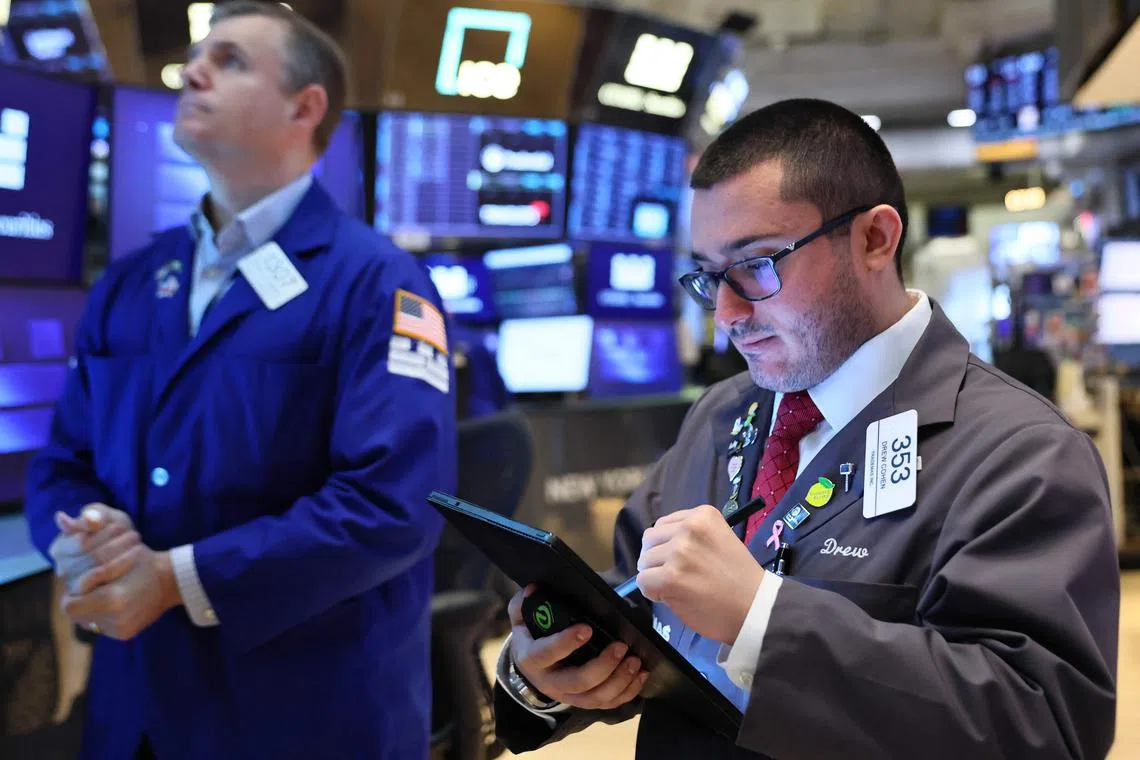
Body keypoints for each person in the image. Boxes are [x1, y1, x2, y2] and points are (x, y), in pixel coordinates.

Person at [493, 99, 1120, 759]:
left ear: (875, 239)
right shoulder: (721, 414)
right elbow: (630, 602)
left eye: (758, 264)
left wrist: (762, 619)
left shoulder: (1022, 453)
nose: (726, 316)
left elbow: (1044, 726)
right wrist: (546, 670)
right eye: (708, 276)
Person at [23, 3, 455, 758]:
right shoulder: (131, 282)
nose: (192, 72)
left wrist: (177, 578)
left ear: (304, 107)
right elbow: (62, 462)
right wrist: (85, 535)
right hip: (137, 710)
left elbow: (392, 504)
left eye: (229, 60)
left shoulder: (376, 281)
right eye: (196, 57)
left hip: (304, 716)